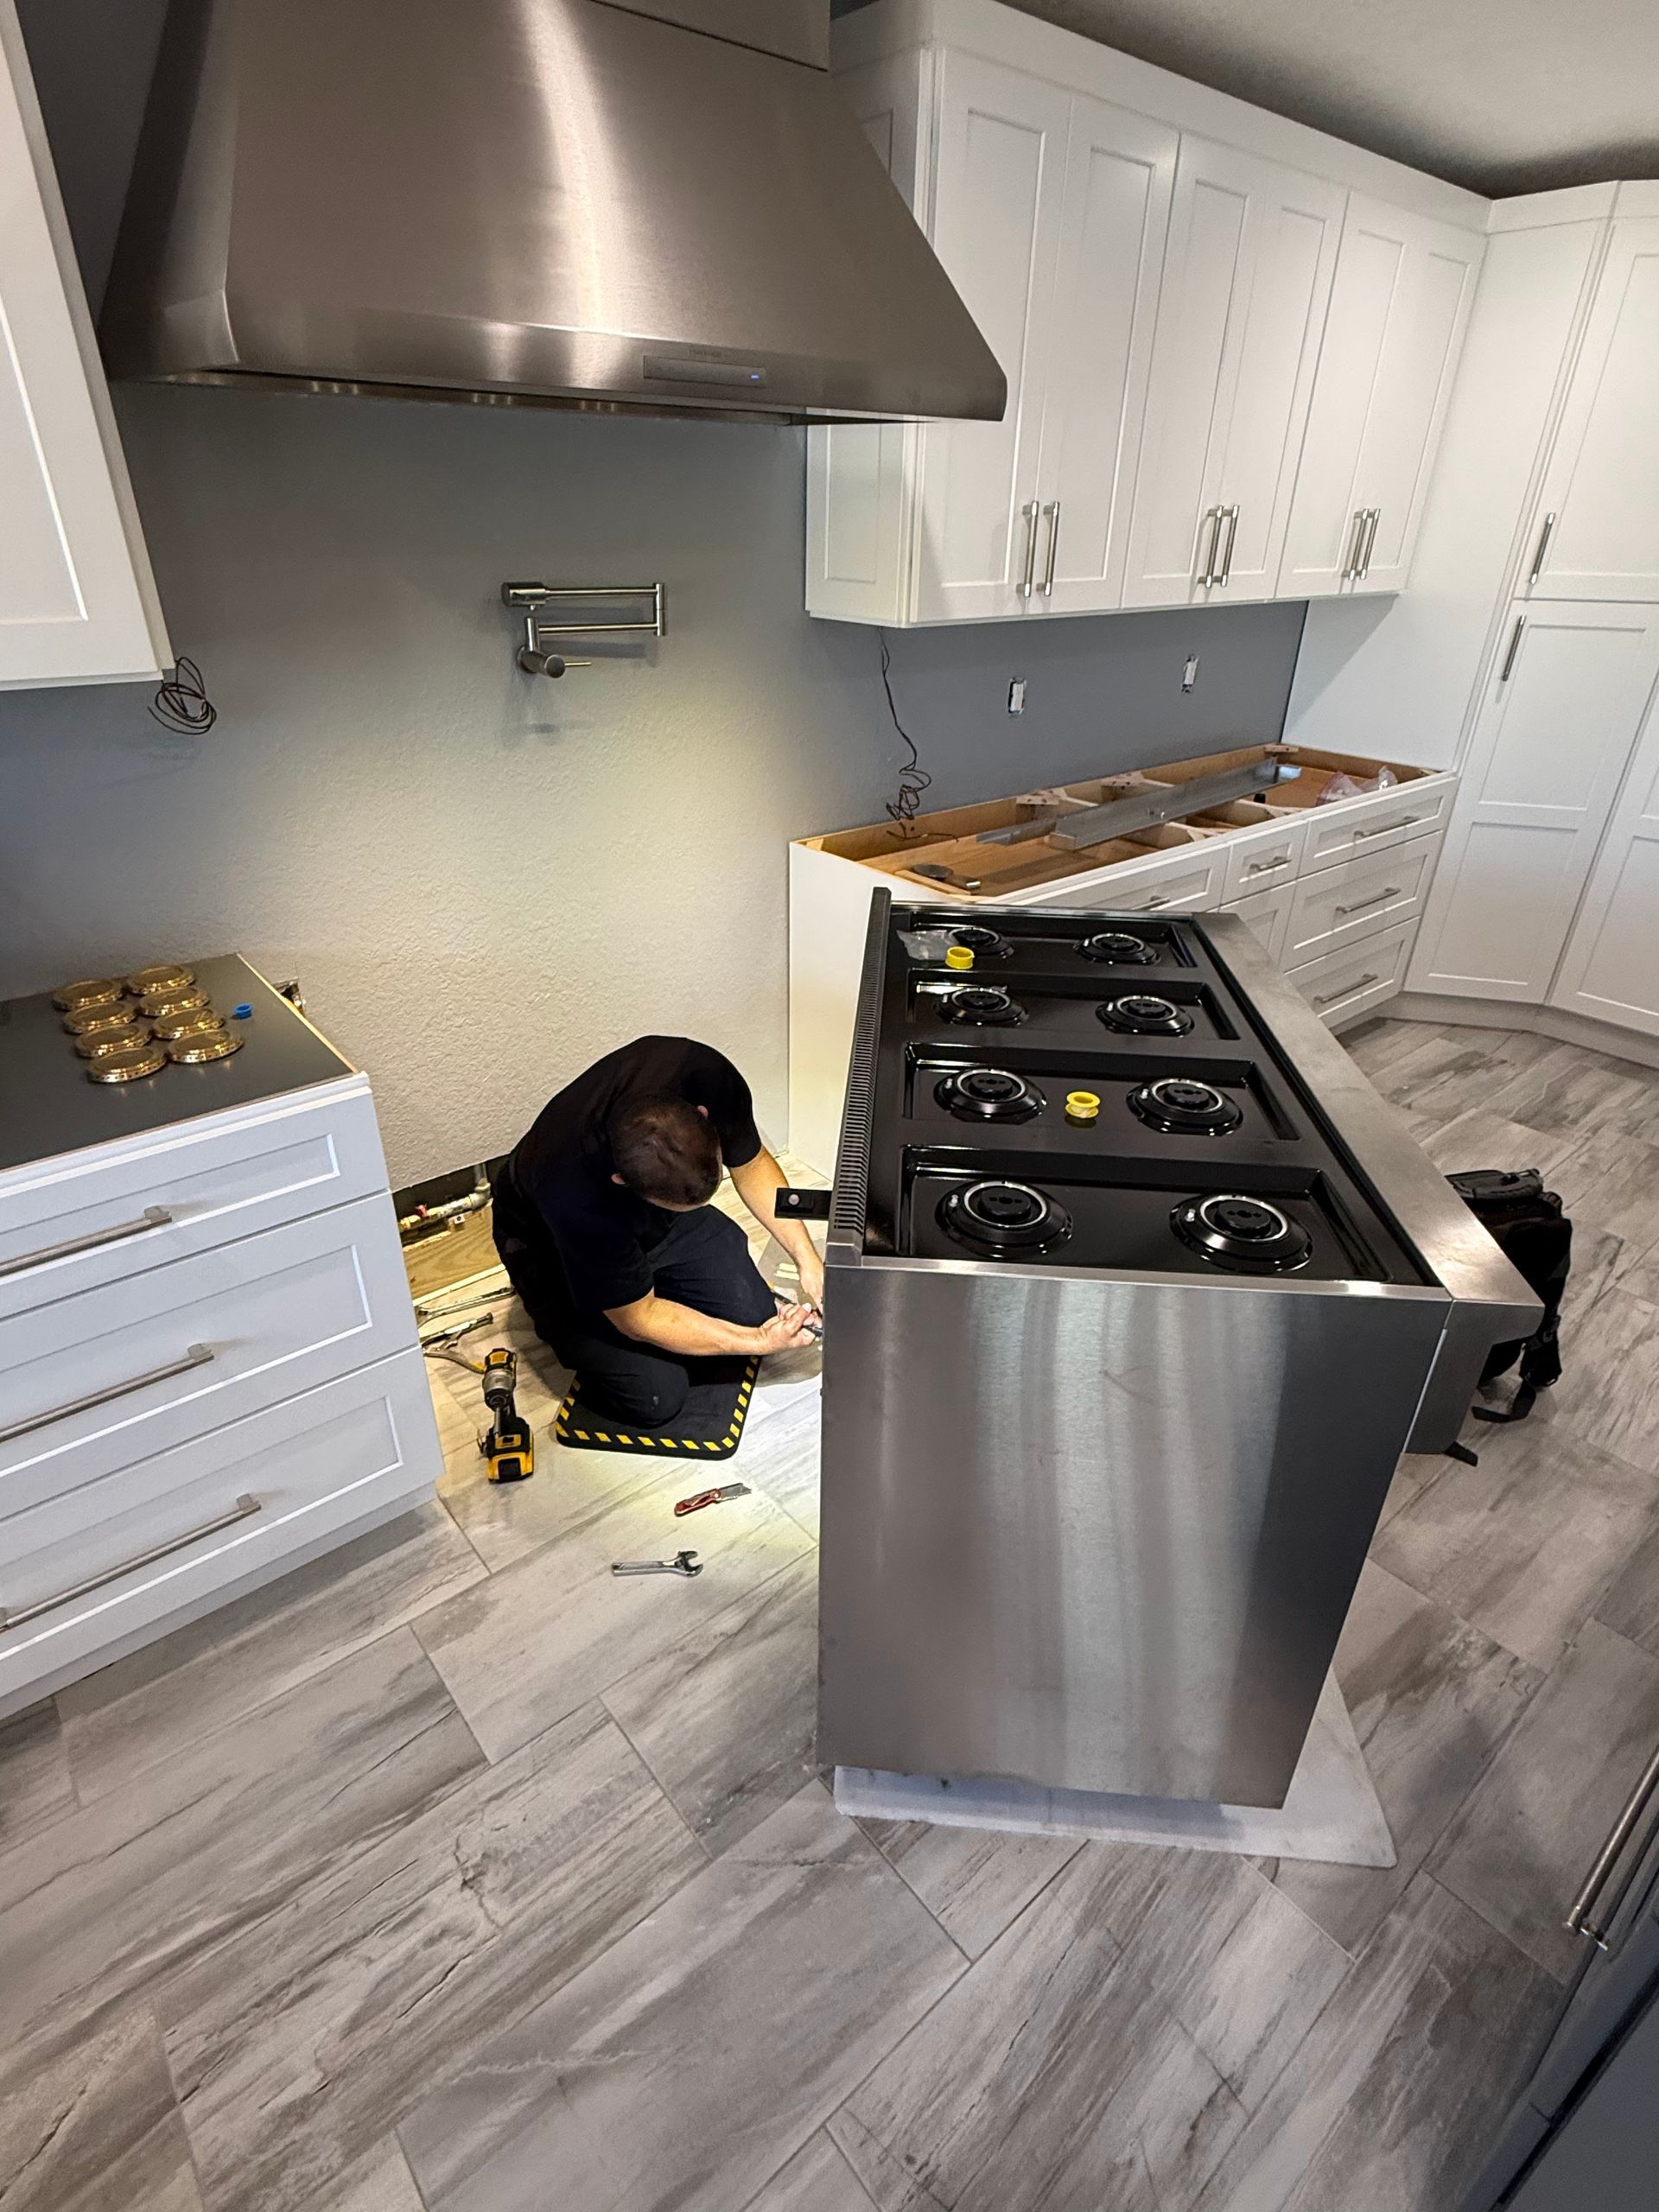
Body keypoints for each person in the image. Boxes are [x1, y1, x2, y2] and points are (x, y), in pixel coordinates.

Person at [491, 1035, 822, 1427]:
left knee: (752, 1311)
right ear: (622, 1182)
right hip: (547, 1244)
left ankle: (659, 1283)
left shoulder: (700, 1073)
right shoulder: (573, 1192)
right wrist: (761, 1341)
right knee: (656, 1395)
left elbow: (750, 1165)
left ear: (702, 1114)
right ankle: (567, 1317)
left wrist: (808, 1261)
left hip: (646, 1218)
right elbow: (639, 1318)